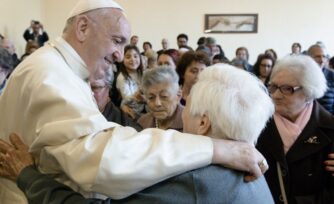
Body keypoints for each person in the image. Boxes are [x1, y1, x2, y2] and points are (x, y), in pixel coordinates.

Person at [0, 1, 267, 203]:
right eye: (116, 41)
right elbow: (105, 159)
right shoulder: (49, 72)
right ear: (82, 28)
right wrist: (216, 148)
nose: (119, 55)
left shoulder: (61, 68)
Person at [0, 64, 275, 204]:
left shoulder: (195, 182)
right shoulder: (254, 172)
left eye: (186, 106)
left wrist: (28, 175)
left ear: (203, 123)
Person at [256, 55, 334, 204]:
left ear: (309, 93)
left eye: (287, 89)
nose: (276, 95)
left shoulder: (330, 129)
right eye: (273, 87)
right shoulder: (257, 124)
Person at [138, 66, 183, 131]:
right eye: (151, 97)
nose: (157, 103)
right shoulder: (142, 123)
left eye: (164, 96)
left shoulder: (192, 123)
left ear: (178, 96)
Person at [116, 45, 146, 119]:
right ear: (122, 59)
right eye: (128, 57)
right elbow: (125, 98)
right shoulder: (122, 77)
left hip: (145, 108)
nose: (132, 59)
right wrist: (136, 96)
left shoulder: (143, 74)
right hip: (131, 110)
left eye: (135, 56)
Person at [308, 44, 334, 114]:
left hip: (329, 117)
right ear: (308, 58)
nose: (322, 60)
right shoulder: (301, 75)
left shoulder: (332, 75)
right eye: (318, 57)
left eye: (324, 56)